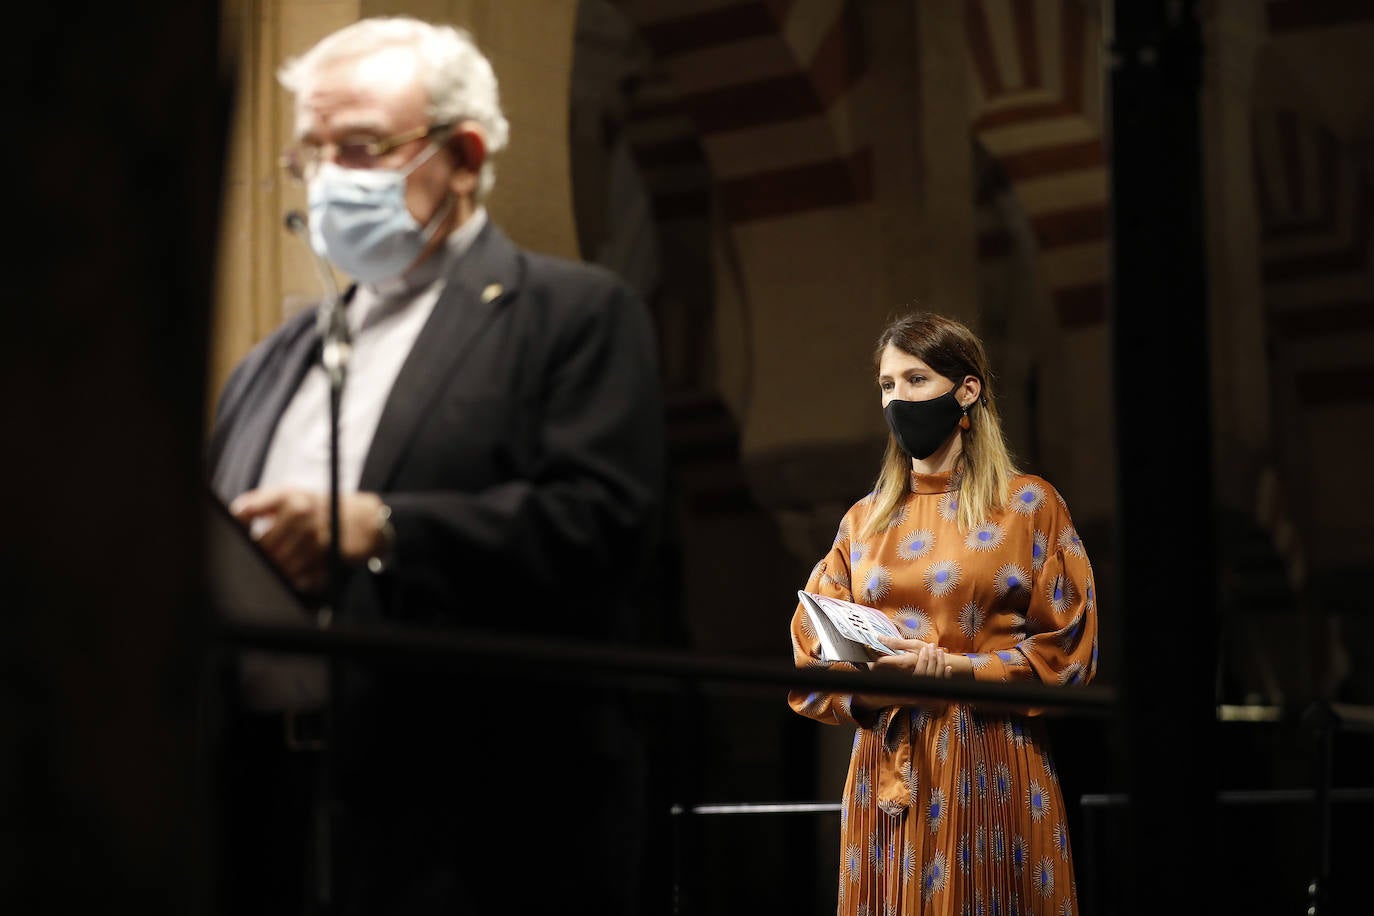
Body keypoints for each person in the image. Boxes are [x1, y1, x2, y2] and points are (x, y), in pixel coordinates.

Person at [204, 16, 666, 915]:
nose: (330, 177)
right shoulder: (277, 357)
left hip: (476, 812)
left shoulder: (567, 313)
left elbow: (603, 524)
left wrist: (382, 527)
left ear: (461, 153)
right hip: (270, 805)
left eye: (361, 146)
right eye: (312, 155)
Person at [788, 311, 1098, 915]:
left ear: (967, 389)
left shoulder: (1027, 505)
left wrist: (957, 671)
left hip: (993, 760)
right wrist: (876, 687)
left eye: (916, 380)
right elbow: (807, 656)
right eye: (887, 385)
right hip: (889, 771)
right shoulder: (863, 520)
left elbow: (1070, 652)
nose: (899, 397)